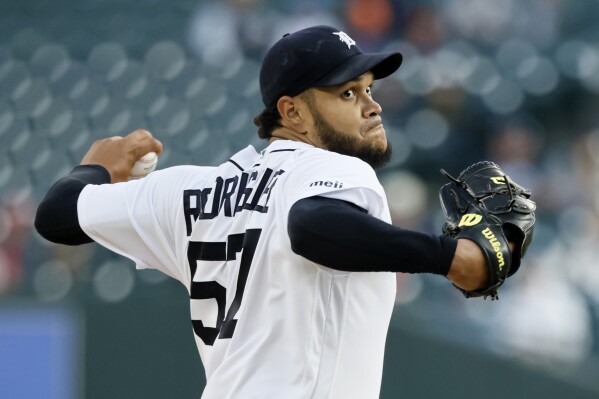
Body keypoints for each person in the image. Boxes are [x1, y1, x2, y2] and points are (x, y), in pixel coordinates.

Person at [35, 26, 492, 399]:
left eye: (369, 89)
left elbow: (56, 215)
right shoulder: (334, 168)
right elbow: (311, 226)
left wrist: (91, 168)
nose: (373, 106)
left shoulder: (190, 188)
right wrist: (451, 256)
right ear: (292, 112)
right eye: (348, 94)